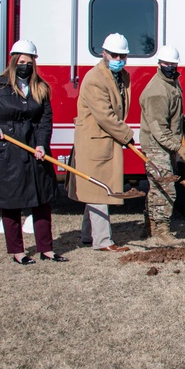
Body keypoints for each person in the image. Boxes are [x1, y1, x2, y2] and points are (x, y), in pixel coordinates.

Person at [0, 40, 67, 265]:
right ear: (13, 62)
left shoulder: (40, 87)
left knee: (41, 200)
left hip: (33, 150)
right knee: (11, 203)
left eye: (29, 63)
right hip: (7, 152)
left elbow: (45, 120)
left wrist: (41, 144)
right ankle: (18, 252)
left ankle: (46, 249)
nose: (25, 67)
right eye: (21, 62)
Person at [68, 33, 134, 252]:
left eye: (123, 56)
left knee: (94, 189)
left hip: (108, 139)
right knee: (99, 190)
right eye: (115, 55)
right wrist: (127, 134)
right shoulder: (94, 79)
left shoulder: (122, 76)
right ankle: (103, 241)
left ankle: (88, 234)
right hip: (94, 142)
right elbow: (104, 115)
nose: (119, 59)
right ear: (104, 53)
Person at [138, 45, 185, 245]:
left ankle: (150, 226)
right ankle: (161, 230)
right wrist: (177, 146)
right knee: (165, 187)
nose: (170, 67)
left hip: (165, 145)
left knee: (156, 187)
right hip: (156, 145)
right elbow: (159, 129)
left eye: (173, 64)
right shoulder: (157, 91)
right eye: (166, 64)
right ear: (159, 64)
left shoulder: (172, 83)